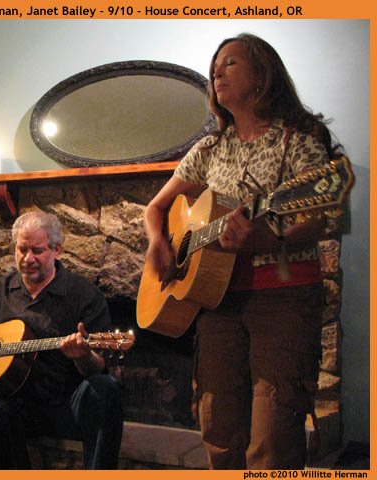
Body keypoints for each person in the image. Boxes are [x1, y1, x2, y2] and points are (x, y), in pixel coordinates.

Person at [143, 33, 343, 469]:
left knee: (273, 441)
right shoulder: (211, 148)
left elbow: (314, 220)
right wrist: (160, 243)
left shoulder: (298, 139)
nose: (217, 72)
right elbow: (156, 209)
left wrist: (262, 239)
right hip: (217, 303)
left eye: (230, 63)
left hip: (283, 301)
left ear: (262, 75)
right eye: (215, 67)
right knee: (218, 431)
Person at [0, 210, 124, 469]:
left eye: (37, 250)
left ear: (57, 250)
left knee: (105, 389)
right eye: (22, 249)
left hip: (63, 405)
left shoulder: (84, 295)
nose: (27, 258)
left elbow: (98, 366)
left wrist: (84, 356)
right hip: (10, 406)